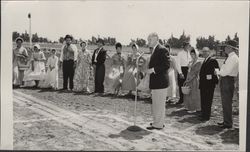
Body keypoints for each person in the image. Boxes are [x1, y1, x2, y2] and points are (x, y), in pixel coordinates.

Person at [146, 33, 170, 130]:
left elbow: (166, 65)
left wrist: (153, 70)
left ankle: (158, 124)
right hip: (157, 82)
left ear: (156, 39)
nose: (148, 42)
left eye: (150, 40)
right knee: (156, 104)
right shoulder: (156, 49)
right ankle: (157, 122)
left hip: (160, 82)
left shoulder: (162, 49)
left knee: (159, 104)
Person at [215, 40, 239, 129]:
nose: (224, 48)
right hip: (227, 80)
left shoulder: (233, 58)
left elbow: (226, 72)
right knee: (225, 102)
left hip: (227, 80)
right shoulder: (231, 57)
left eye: (226, 46)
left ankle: (228, 123)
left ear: (230, 48)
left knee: (227, 102)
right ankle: (226, 121)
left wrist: (218, 72)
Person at [199, 47, 219, 121]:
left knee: (208, 100)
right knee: (203, 100)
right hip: (203, 84)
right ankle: (203, 114)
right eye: (203, 51)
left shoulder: (213, 60)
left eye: (206, 51)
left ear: (209, 52)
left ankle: (206, 116)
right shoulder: (204, 60)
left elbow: (217, 71)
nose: (204, 53)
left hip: (209, 85)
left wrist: (211, 78)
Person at [183, 48, 202, 113]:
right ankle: (189, 107)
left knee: (194, 94)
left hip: (194, 80)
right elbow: (189, 72)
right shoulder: (191, 62)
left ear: (196, 54)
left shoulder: (198, 62)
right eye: (191, 54)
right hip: (189, 79)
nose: (192, 56)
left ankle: (195, 108)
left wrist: (189, 80)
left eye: (193, 54)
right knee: (188, 93)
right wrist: (187, 79)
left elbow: (195, 73)